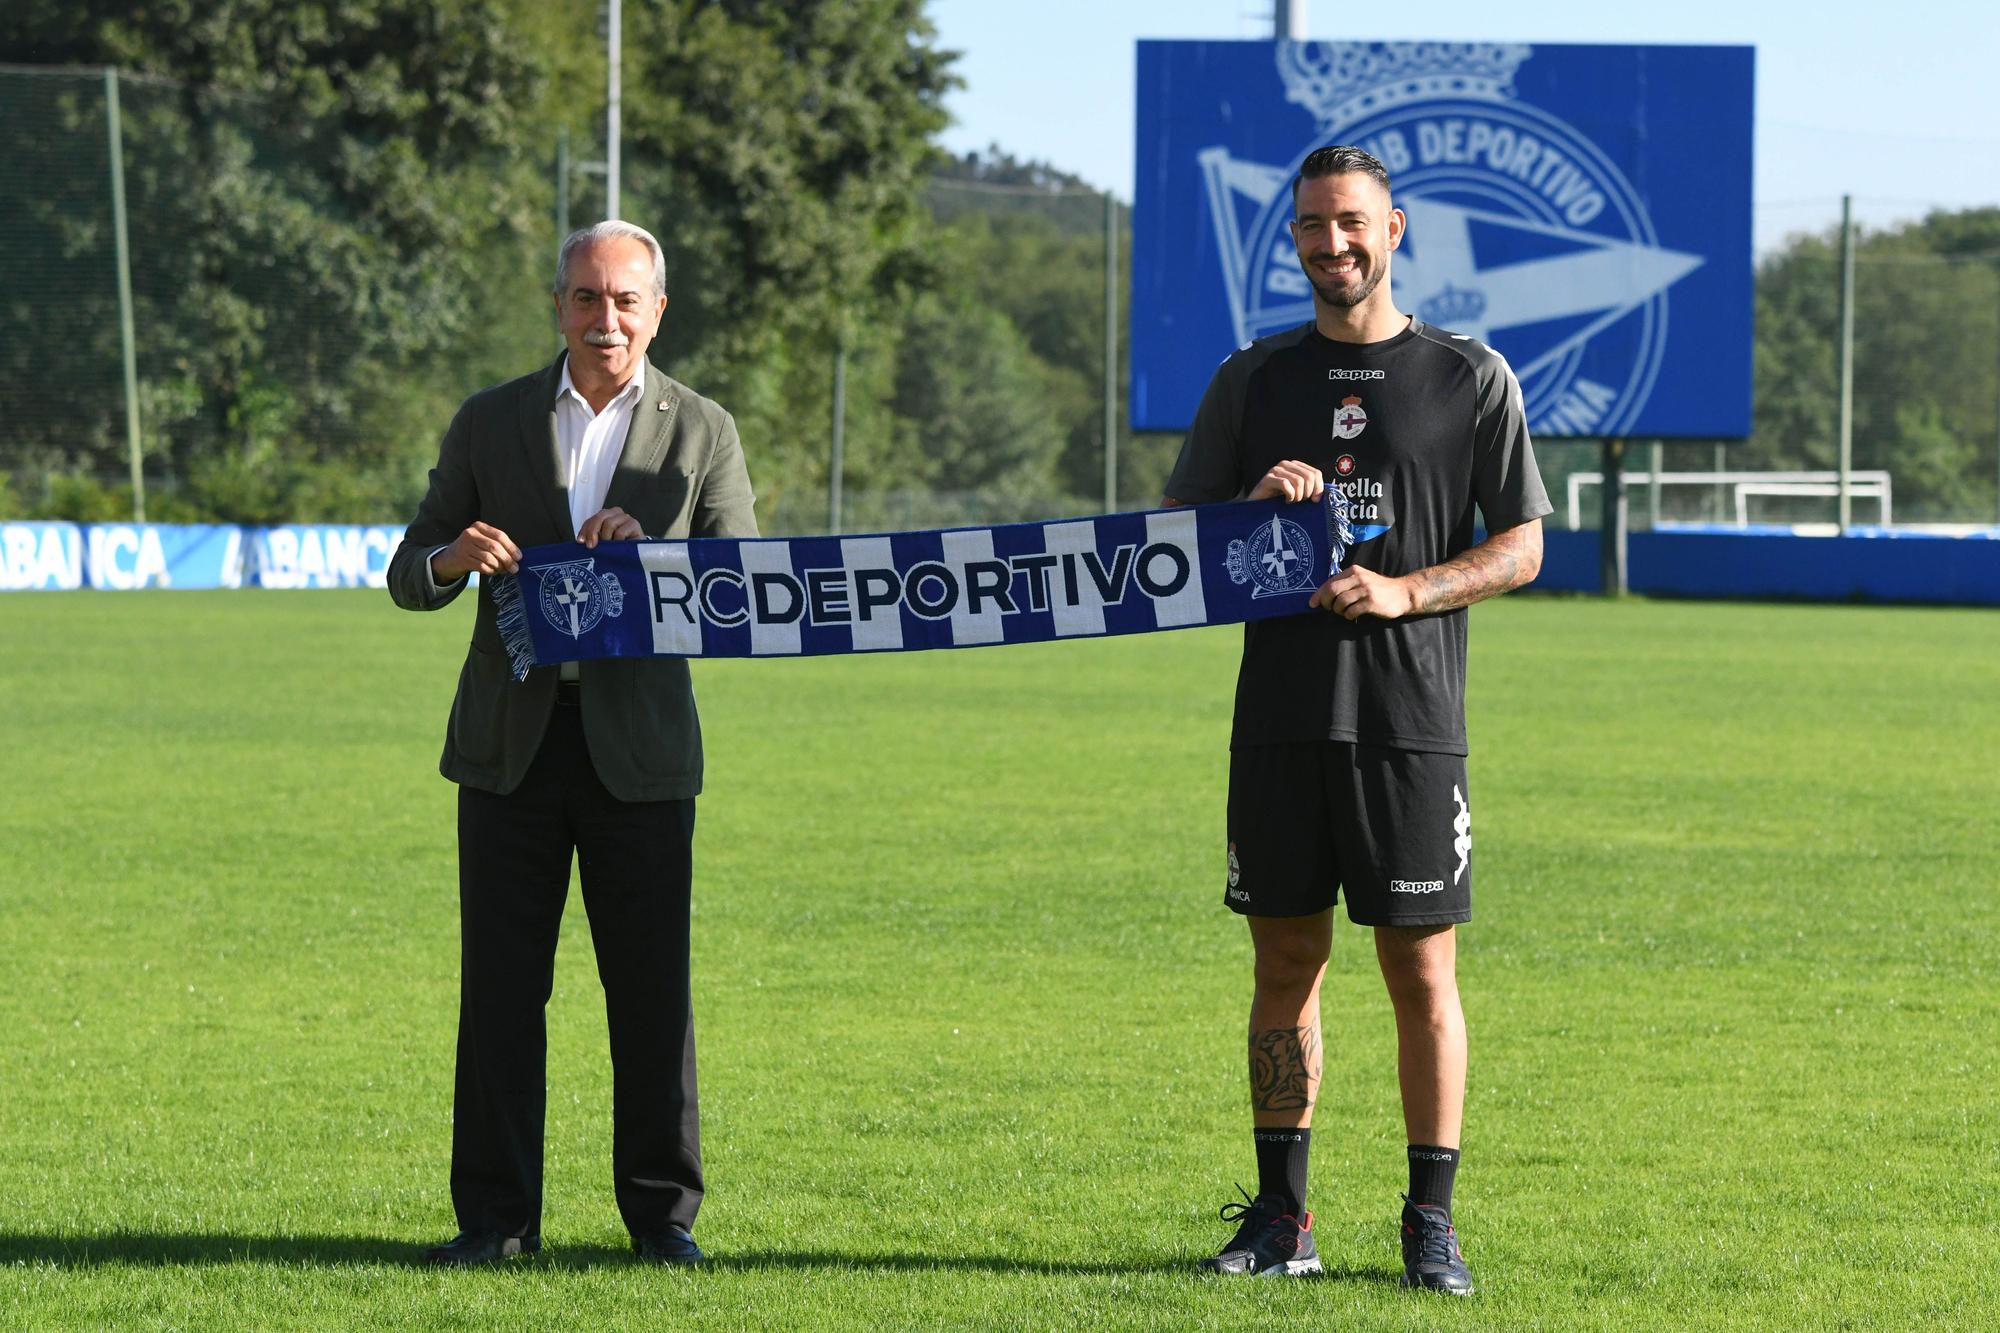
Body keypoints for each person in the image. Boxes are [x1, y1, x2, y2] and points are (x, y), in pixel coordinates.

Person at [1165, 145, 1550, 1294]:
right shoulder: (1252, 379)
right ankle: (1282, 1217)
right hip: (1279, 719)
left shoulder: (1467, 374)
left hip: (1408, 723)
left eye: (1349, 224)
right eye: (1308, 227)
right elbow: (1177, 551)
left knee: (1418, 973)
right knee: (1284, 959)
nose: (1328, 245)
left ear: (1394, 228)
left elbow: (1522, 544)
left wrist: (1402, 589)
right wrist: (1251, 516)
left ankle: (1429, 1220)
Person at [388, 219, 756, 1267]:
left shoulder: (702, 430)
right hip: (507, 749)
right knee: (501, 992)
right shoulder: (489, 420)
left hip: (640, 756)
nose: (605, 320)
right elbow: (407, 570)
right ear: (557, 304)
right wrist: (453, 556)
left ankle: (662, 1222)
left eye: (624, 300)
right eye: (586, 298)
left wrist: (659, 559)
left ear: (657, 310)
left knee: (651, 994)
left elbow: (741, 588)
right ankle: (495, 1221)